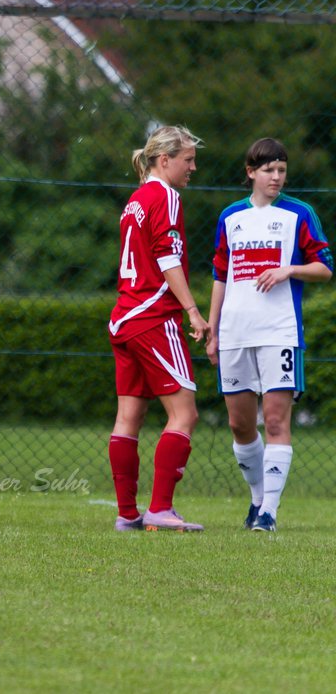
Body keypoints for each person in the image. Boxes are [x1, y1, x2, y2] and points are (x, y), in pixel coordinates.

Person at [206, 138, 332, 533]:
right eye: (268, 171)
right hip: (235, 333)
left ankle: (269, 514)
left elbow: (325, 269)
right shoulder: (230, 217)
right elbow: (220, 276)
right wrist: (212, 330)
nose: (276, 177)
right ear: (251, 172)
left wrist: (289, 270)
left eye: (281, 170)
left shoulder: (299, 213)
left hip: (280, 332)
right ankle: (258, 498)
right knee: (240, 425)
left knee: (276, 420)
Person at [107, 125, 209, 532]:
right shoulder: (166, 196)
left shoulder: (135, 199)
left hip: (124, 317)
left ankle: (127, 514)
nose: (193, 167)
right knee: (184, 414)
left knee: (128, 417)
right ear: (164, 160)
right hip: (152, 316)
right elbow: (167, 259)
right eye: (188, 159)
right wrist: (193, 311)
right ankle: (161, 509)